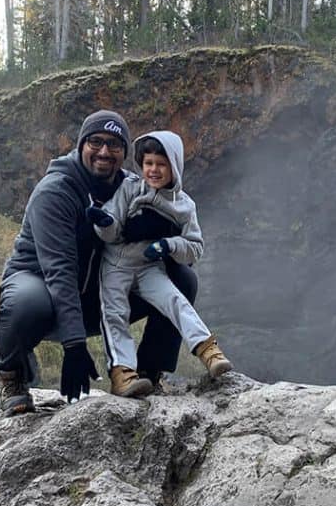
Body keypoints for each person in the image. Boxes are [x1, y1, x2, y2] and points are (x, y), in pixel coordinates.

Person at [0, 110, 198, 416]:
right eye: (96, 142)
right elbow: (59, 271)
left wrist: (163, 232)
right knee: (26, 302)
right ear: (81, 146)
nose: (104, 152)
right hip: (43, 286)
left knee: (182, 278)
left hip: (99, 293)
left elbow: (180, 214)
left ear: (125, 153)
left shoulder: (132, 187)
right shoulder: (56, 191)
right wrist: (74, 346)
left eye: (114, 145)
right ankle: (12, 376)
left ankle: (147, 374)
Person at [86, 130, 232, 397]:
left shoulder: (184, 206)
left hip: (149, 266)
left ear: (174, 166)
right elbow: (113, 222)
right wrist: (104, 224)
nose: (153, 170)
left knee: (174, 301)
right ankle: (123, 373)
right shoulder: (130, 188)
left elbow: (195, 248)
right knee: (114, 313)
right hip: (115, 265)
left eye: (161, 164)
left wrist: (168, 246)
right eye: (148, 164)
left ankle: (208, 350)